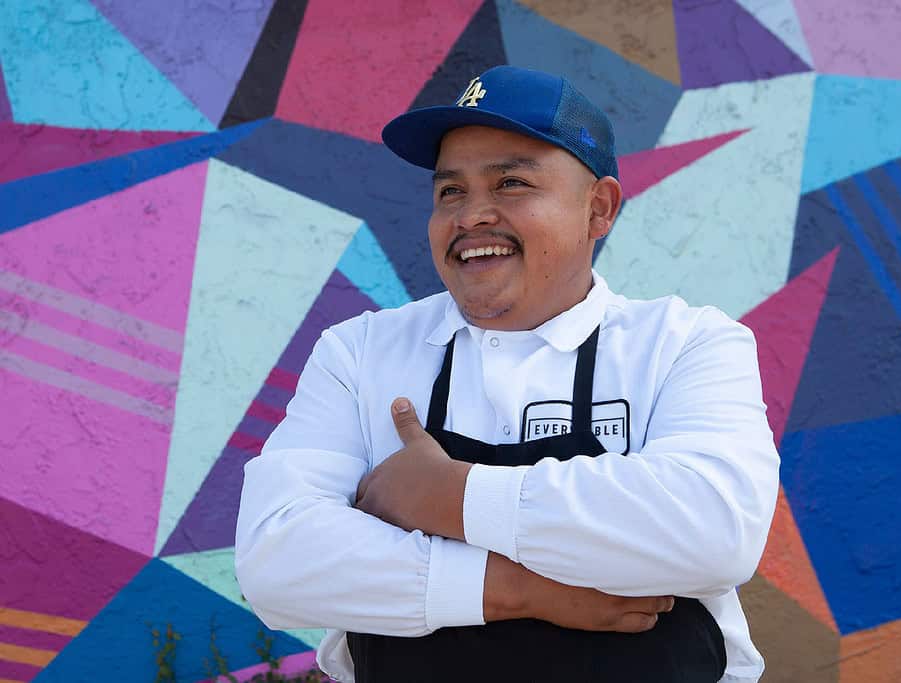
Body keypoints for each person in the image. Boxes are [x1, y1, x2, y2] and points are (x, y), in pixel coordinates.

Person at [235, 65, 780, 683]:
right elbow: (276, 560)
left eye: (512, 183)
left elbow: (713, 532)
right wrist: (520, 590)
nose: (471, 216)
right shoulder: (360, 352)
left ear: (598, 209)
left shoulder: (685, 343)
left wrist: (447, 496)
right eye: (450, 192)